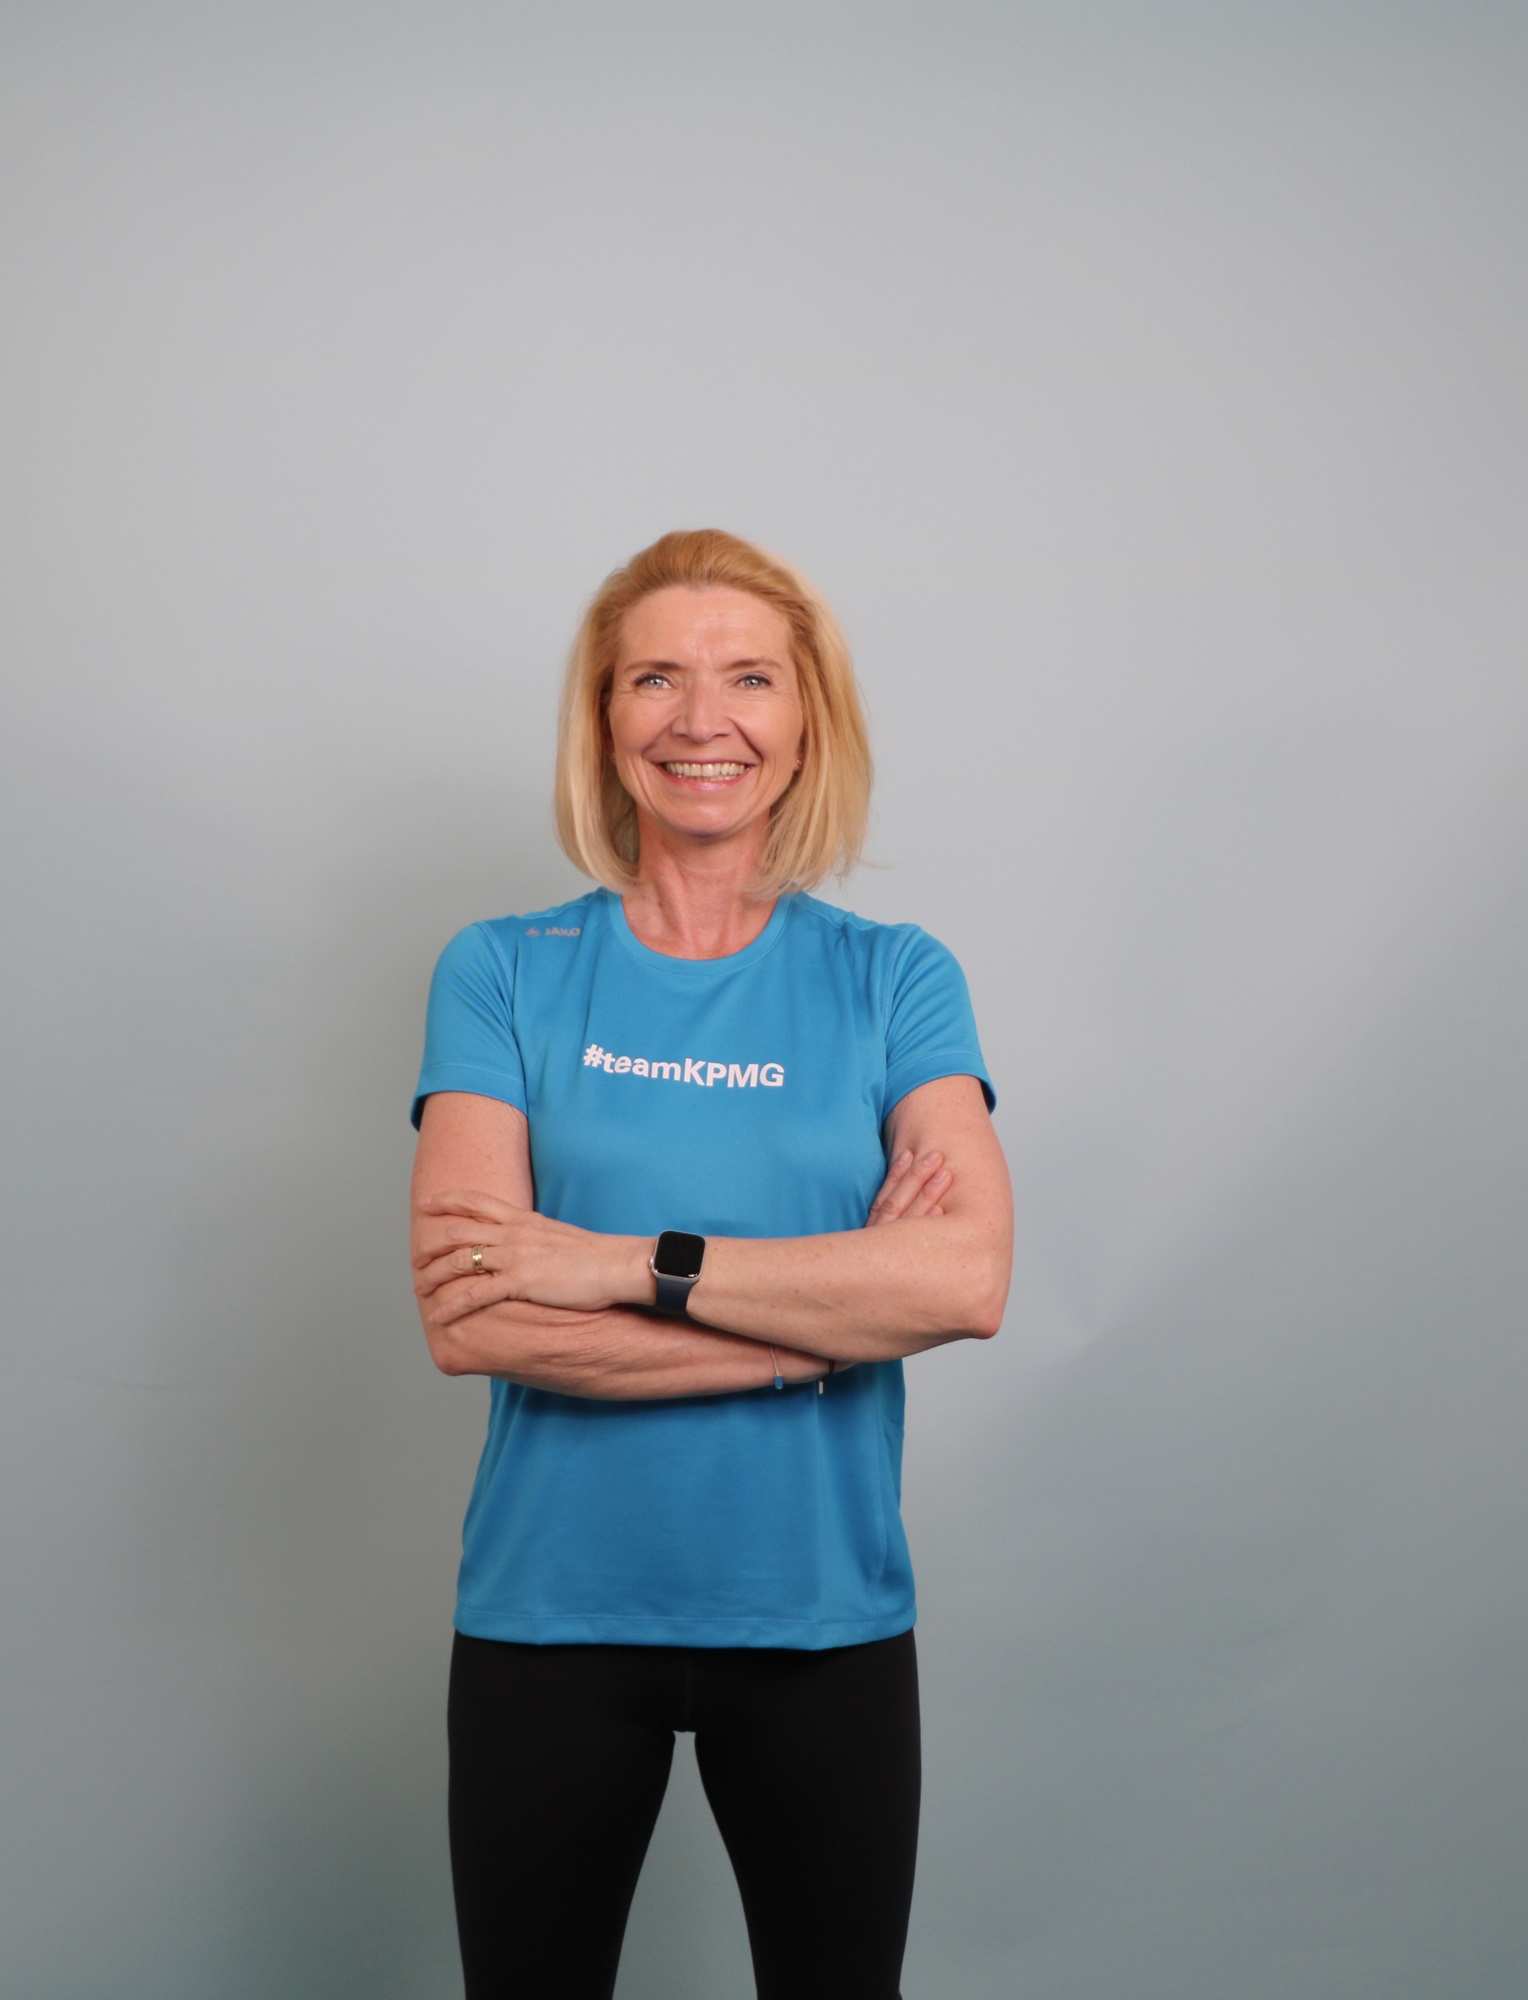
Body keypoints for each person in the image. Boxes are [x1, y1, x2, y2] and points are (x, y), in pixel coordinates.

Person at [406, 526, 1014, 1999]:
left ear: (806, 721)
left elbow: (964, 1282)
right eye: (654, 679)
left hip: (821, 1616)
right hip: (550, 1616)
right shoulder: (501, 969)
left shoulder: (894, 977)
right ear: (604, 718)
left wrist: (625, 1262)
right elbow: (476, 1317)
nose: (701, 720)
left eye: (749, 678)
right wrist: (822, 1329)